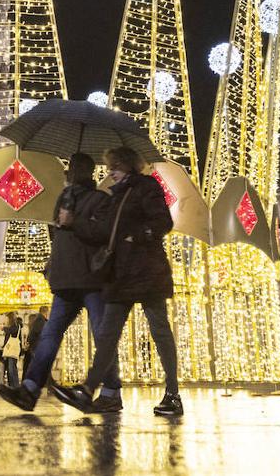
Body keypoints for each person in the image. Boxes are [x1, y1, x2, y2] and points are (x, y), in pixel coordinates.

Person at [50, 146, 184, 417]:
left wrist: (136, 235)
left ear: (128, 167)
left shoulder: (146, 187)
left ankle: (172, 394)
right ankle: (88, 389)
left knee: (159, 331)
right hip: (120, 275)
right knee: (108, 335)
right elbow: (99, 232)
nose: (110, 173)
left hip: (147, 271)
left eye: (115, 168)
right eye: (109, 168)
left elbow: (163, 222)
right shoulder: (114, 197)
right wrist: (72, 222)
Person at [0, 152, 123, 413]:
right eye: (70, 168)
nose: (70, 173)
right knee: (50, 334)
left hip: (91, 279)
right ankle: (30, 388)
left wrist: (74, 221)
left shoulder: (101, 199)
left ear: (85, 172)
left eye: (74, 168)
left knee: (102, 336)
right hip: (66, 280)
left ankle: (111, 391)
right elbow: (59, 237)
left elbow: (103, 233)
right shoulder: (64, 198)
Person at [22, 307, 49, 377]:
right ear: (46, 312)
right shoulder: (40, 320)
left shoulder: (40, 320)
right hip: (37, 348)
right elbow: (36, 334)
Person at [0, 314, 23, 388]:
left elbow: (11, 331)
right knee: (10, 370)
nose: (5, 320)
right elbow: (7, 339)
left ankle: (15, 387)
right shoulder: (12, 326)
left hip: (12, 351)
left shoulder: (16, 326)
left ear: (10, 319)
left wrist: (4, 328)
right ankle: (11, 386)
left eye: (7, 319)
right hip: (9, 351)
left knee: (12, 369)